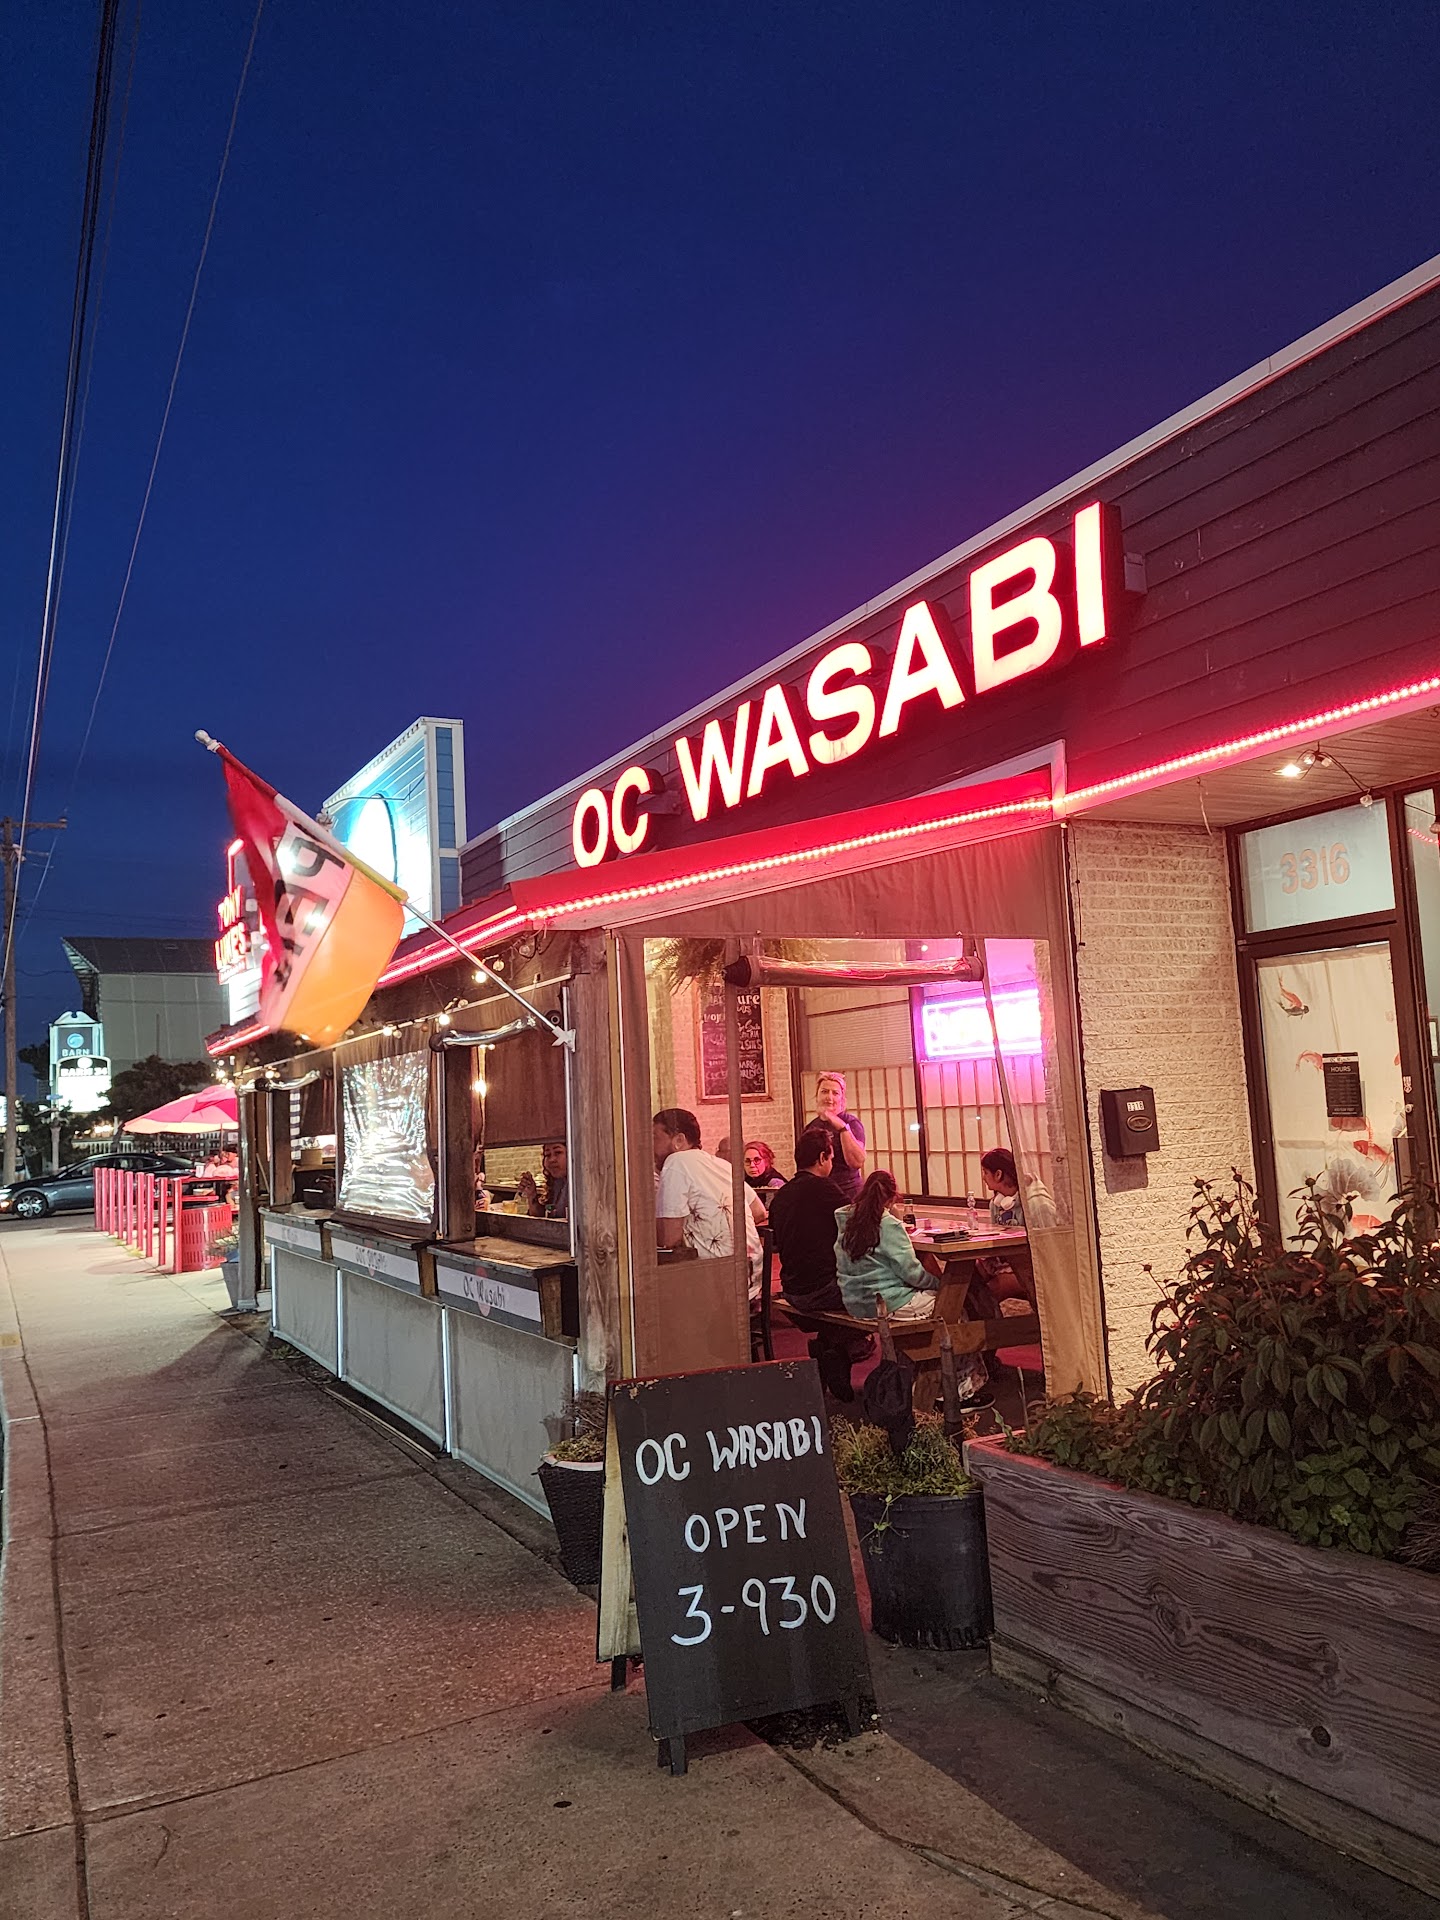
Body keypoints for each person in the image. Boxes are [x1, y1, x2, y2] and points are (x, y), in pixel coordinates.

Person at [653, 1108, 763, 1279]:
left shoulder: (676, 1162)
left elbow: (668, 1239)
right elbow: (759, 1212)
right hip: (752, 1277)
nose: (650, 1147)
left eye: (655, 1138)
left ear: (679, 1140)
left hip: (717, 1281)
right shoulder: (721, 1165)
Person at [834, 1170, 937, 1321]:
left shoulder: (847, 1221)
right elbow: (912, 1273)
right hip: (888, 1303)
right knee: (951, 1301)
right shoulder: (888, 1225)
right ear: (891, 1199)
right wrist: (938, 1283)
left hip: (855, 1304)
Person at [806, 1072, 867, 1205]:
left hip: (849, 1193)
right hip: (820, 1194)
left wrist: (842, 1128)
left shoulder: (851, 1123)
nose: (829, 1097)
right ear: (817, 1096)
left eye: (835, 1093)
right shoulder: (811, 1127)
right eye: (824, 1092)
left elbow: (856, 1162)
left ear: (842, 1098)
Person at [980, 1147, 1057, 1229]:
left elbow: (1049, 1235)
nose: (983, 1177)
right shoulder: (996, 1204)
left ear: (998, 1174)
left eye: (986, 1172)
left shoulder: (1038, 1205)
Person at [517, 1140, 569, 1219]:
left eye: (558, 1152)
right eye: (547, 1155)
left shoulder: (580, 1183)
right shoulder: (557, 1183)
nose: (552, 1159)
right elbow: (543, 1216)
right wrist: (532, 1195)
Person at [742, 1141, 786, 1208]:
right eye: (747, 1161)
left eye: (757, 1160)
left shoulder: (775, 1182)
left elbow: (771, 1209)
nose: (752, 1165)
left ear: (766, 1161)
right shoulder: (744, 1181)